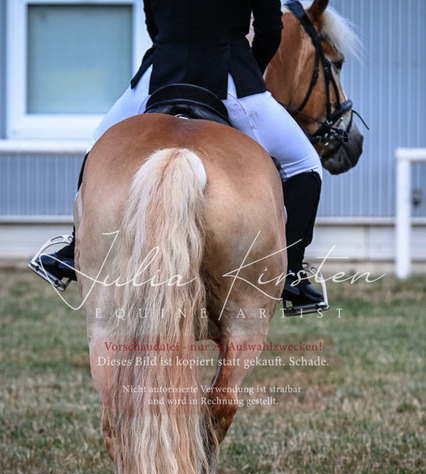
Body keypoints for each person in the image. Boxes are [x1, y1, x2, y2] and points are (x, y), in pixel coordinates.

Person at [29, 0, 326, 312]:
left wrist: (173, 45)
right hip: (229, 74)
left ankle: (73, 249)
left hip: (160, 73)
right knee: (304, 162)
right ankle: (291, 272)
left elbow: (152, 21)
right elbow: (270, 30)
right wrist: (250, 67)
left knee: (98, 146)